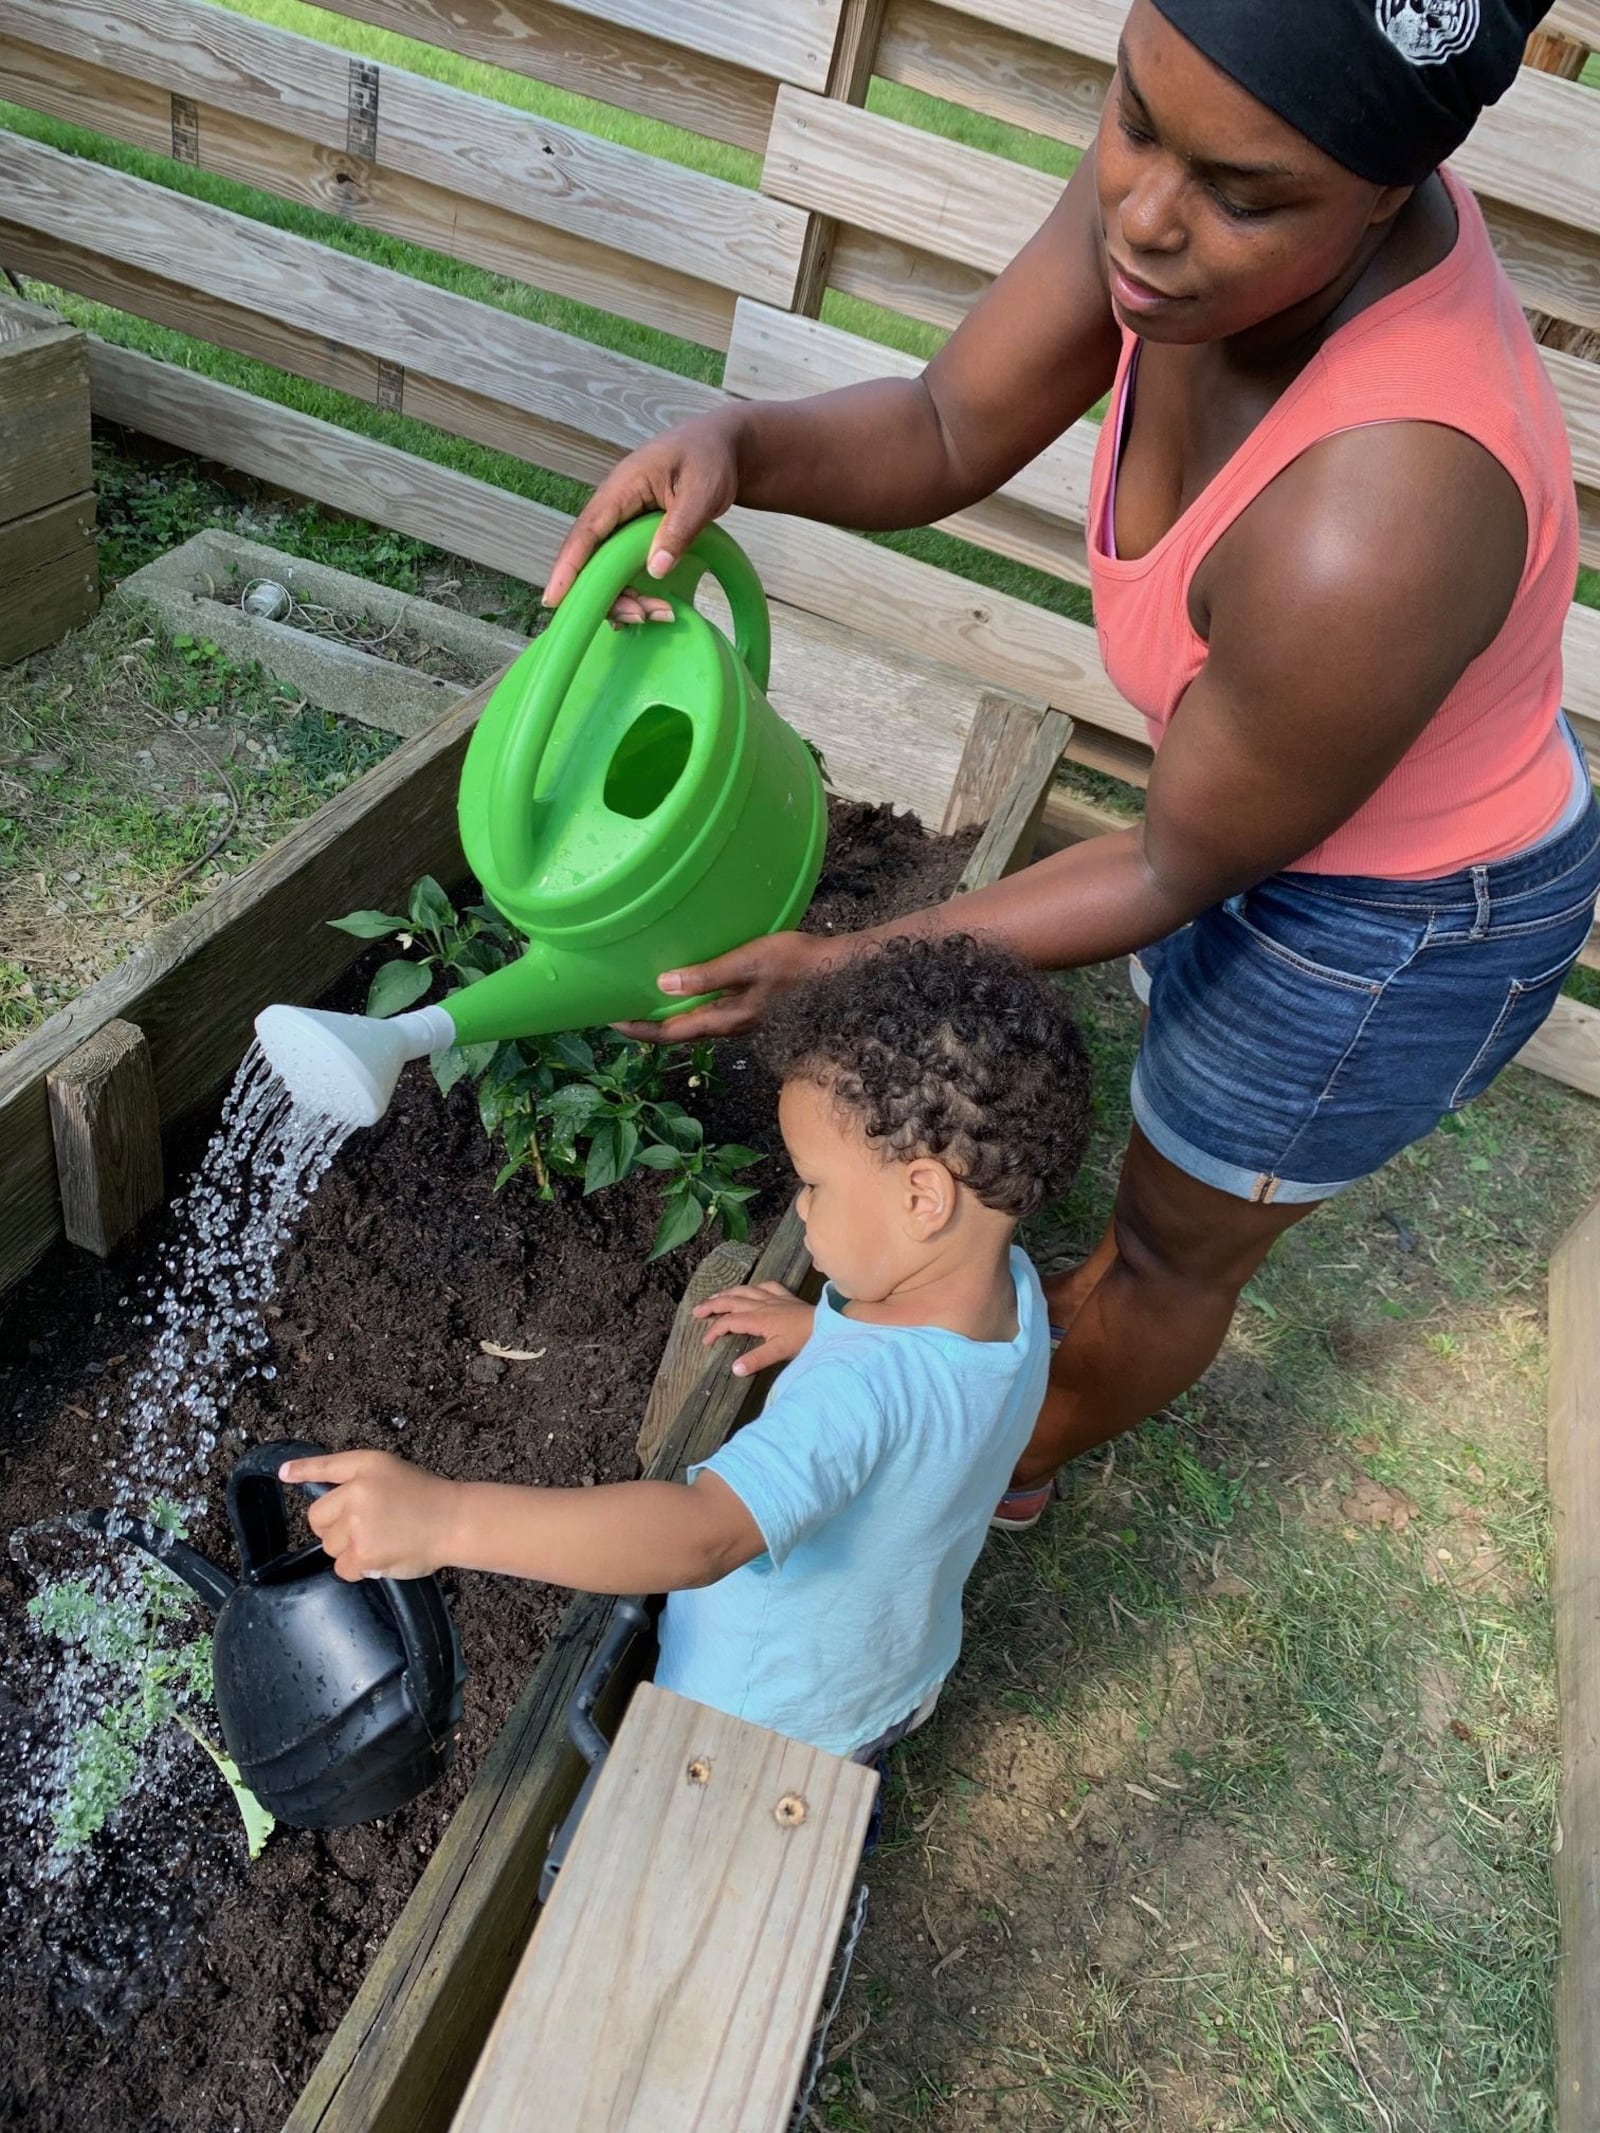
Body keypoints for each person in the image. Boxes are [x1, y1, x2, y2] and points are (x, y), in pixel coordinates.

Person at [541, 0, 1600, 1529]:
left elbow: (1176, 863)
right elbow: (945, 419)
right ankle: (1020, 1379)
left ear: (1391, 183)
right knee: (1167, 1111)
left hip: (1401, 919)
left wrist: (846, 967)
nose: (1150, 217)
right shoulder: (1172, 190)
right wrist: (743, 447)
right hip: (1252, 804)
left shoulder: (1382, 512)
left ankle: (1007, 1457)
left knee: (1177, 1245)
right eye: (1134, 117)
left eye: (1244, 193)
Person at [280, 935, 1091, 1760]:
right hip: (888, 1669)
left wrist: (445, 1518)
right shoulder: (1011, 1292)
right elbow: (937, 1403)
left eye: (812, 1182)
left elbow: (702, 1535)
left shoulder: (858, 1396)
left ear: (924, 1197)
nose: (801, 1212)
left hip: (755, 1724)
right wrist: (825, 1326)